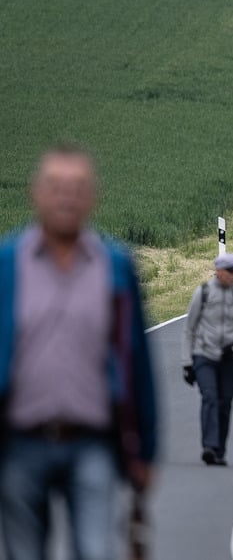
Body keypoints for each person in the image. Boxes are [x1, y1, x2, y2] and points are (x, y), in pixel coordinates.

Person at [0, 144, 158, 560]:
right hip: (19, 443)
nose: (66, 196)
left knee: (96, 549)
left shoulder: (116, 264)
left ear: (94, 196)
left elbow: (137, 360)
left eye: (78, 187)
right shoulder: (8, 264)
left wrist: (147, 449)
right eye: (55, 186)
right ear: (35, 193)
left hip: (93, 443)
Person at [183, 252, 233, 466]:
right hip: (204, 354)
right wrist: (187, 363)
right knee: (210, 397)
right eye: (230, 271)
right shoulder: (203, 293)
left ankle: (220, 449)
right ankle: (209, 446)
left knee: (225, 403)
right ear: (219, 271)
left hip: (229, 359)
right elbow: (189, 329)